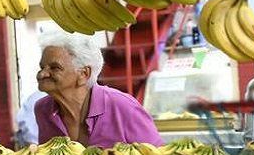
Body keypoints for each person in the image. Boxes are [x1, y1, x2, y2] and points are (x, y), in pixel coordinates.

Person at [34, 34, 162, 148]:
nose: (42, 74)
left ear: (84, 74)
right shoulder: (43, 110)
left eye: (55, 68)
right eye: (42, 67)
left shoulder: (123, 106)